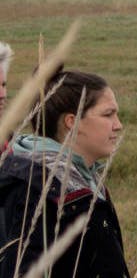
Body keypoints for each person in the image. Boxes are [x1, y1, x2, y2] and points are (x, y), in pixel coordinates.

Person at [0, 70, 130, 277]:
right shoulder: (38, 190)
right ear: (72, 121)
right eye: (108, 114)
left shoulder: (81, 180)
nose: (118, 125)